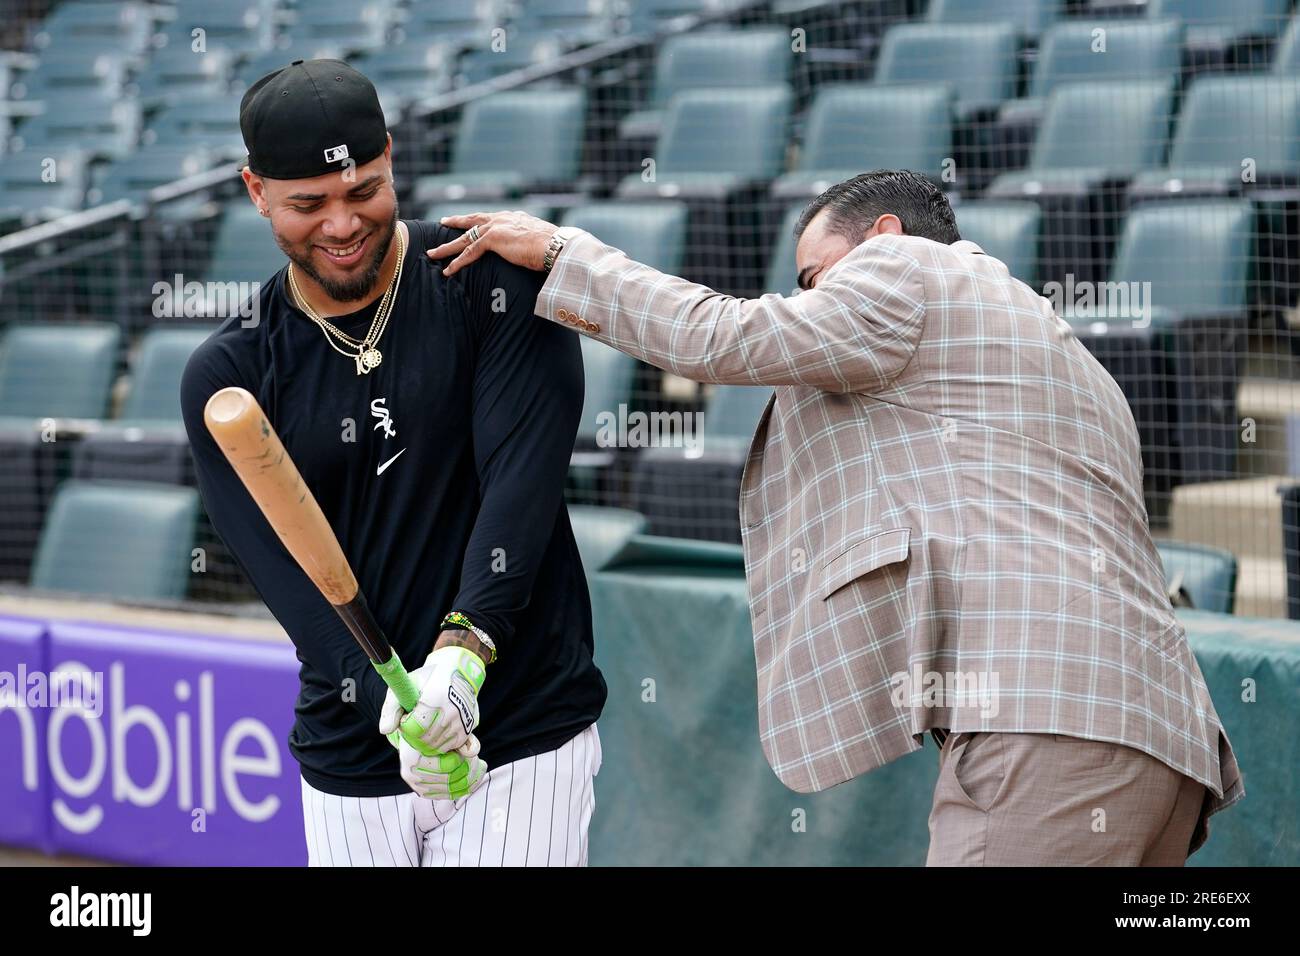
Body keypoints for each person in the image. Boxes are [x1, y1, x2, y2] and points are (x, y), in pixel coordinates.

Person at [425, 169, 1244, 866]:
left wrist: (568, 255)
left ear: (883, 235)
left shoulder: (908, 270)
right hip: (1161, 740)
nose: (810, 301)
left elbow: (729, 336)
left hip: (1047, 726)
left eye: (816, 278)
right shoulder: (1060, 353)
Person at [180, 59, 606, 867]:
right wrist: (394, 705)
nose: (342, 224)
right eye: (308, 204)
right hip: (354, 748)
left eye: (363, 190)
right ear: (255, 191)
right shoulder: (228, 375)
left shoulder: (492, 284)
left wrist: (461, 657)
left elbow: (521, 488)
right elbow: (292, 583)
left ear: (389, 158)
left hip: (521, 725)